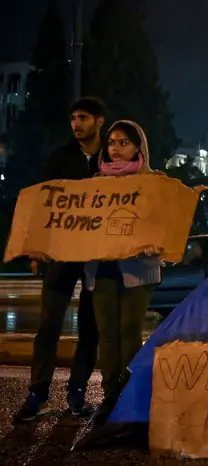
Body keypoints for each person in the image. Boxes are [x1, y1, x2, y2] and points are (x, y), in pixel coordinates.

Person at [14, 97, 106, 423]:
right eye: (72, 118)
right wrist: (37, 248)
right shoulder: (60, 158)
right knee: (48, 325)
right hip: (61, 255)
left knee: (90, 327)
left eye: (82, 117)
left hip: (95, 256)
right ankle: (37, 393)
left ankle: (77, 392)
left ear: (98, 121)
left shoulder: (109, 161)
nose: (76, 124)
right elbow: (45, 206)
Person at [85, 120, 163, 425]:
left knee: (130, 329)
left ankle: (130, 396)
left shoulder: (155, 184)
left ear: (137, 148)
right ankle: (109, 394)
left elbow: (164, 224)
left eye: (124, 143)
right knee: (108, 332)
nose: (116, 149)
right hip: (102, 267)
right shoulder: (93, 184)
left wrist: (154, 245)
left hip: (137, 268)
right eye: (112, 142)